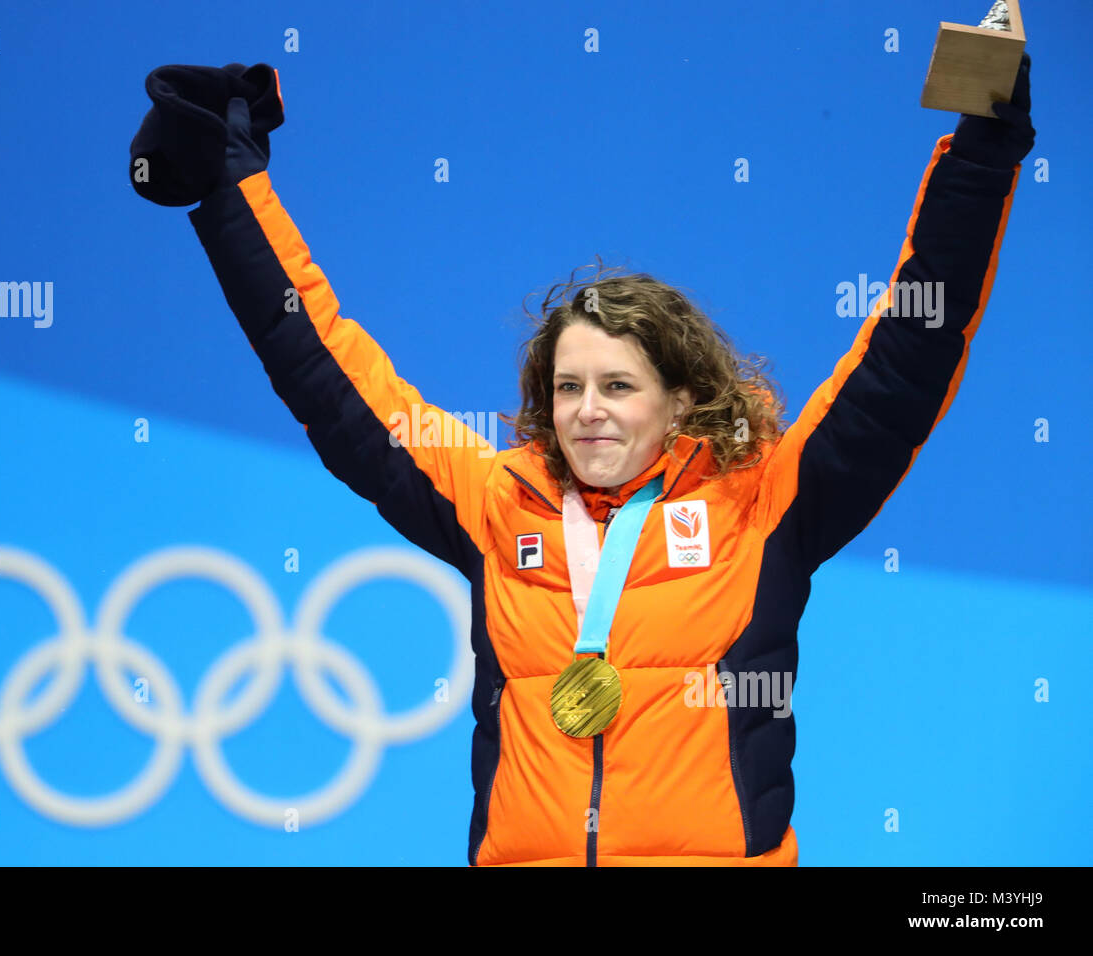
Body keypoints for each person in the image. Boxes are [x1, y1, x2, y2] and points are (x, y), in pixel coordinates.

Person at [129, 54, 1035, 866]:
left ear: (683, 399)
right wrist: (229, 184)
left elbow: (907, 357)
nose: (588, 412)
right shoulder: (497, 503)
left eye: (618, 386)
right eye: (568, 388)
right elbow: (327, 373)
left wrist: (984, 152)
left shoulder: (764, 503)